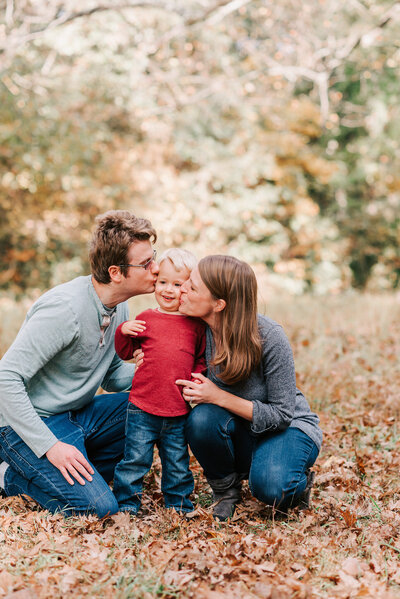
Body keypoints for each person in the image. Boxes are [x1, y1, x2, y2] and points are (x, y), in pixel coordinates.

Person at [0, 210, 159, 517]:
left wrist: (153, 368)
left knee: (146, 408)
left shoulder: (119, 305)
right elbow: (5, 378)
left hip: (77, 415)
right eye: (147, 263)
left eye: (155, 257)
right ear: (116, 273)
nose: (157, 268)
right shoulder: (64, 310)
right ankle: (9, 474)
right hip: (26, 424)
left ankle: (66, 473)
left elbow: (112, 377)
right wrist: (50, 447)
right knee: (98, 507)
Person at [175, 255, 323, 520]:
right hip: (239, 427)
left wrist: (218, 396)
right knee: (202, 420)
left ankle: (295, 483)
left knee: (273, 490)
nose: (182, 288)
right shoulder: (195, 330)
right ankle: (226, 491)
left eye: (193, 287)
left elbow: (281, 415)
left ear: (219, 304)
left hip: (288, 429)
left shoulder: (269, 336)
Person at [113, 249, 206, 515]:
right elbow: (125, 352)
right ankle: (127, 505)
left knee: (176, 462)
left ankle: (178, 505)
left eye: (178, 285)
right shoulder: (145, 319)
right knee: (134, 460)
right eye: (163, 282)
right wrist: (123, 332)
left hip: (177, 410)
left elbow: (200, 359)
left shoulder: (195, 325)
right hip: (142, 405)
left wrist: (195, 382)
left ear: (188, 288)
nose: (168, 290)